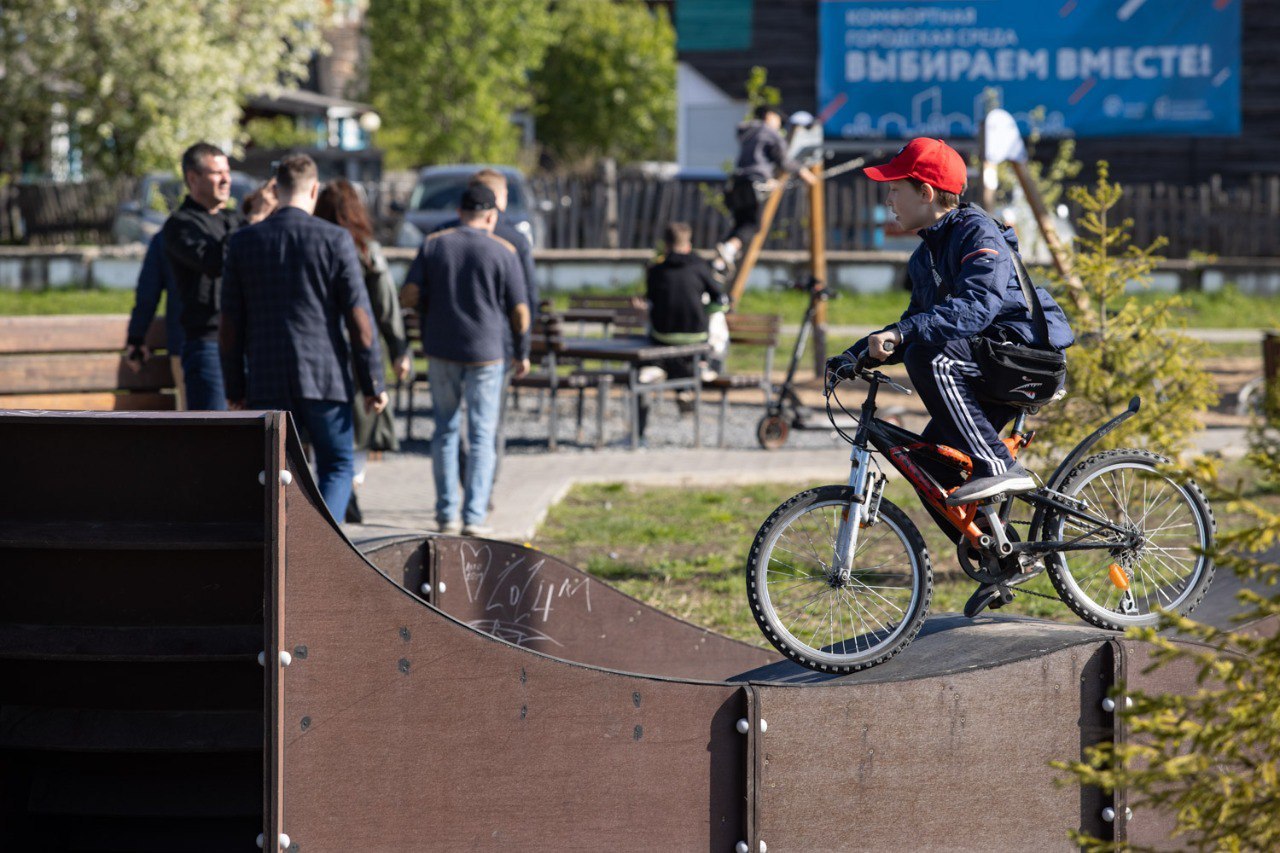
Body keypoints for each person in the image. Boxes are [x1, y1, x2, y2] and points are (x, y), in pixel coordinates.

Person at [827, 137, 1074, 510]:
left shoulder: (976, 232)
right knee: (930, 473)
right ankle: (996, 553)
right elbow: (916, 323)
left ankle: (998, 466)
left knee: (929, 357)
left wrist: (903, 334)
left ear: (926, 192)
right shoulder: (924, 257)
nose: (888, 201)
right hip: (987, 363)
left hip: (1025, 360)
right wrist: (855, 354)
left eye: (894, 190)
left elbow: (977, 306)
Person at [220, 154, 388, 521]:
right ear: (314, 190)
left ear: (276, 191)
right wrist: (373, 380)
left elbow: (230, 324)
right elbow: (359, 318)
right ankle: (326, 546)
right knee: (337, 464)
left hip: (265, 377)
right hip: (325, 377)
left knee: (272, 471)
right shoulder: (335, 239)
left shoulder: (244, 241)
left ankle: (281, 545)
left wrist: (234, 385)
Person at [400, 184, 530, 536]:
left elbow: (409, 295)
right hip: (488, 354)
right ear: (491, 215)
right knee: (482, 435)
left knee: (445, 430)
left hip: (441, 349)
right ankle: (474, 516)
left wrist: (426, 304)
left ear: (459, 211)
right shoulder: (504, 251)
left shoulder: (433, 245)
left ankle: (446, 513)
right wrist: (521, 350)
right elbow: (519, 311)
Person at [314, 178, 412, 523]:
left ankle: (341, 502)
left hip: (316, 354)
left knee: (322, 440)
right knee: (357, 434)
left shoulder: (312, 245)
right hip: (358, 352)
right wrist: (400, 349)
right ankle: (345, 503)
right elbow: (385, 306)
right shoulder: (366, 250)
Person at [162, 142, 244, 410]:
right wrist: (252, 219)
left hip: (245, 342)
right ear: (193, 178)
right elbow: (215, 262)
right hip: (208, 344)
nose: (226, 179)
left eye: (227, 172)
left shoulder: (233, 219)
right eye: (217, 172)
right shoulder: (180, 225)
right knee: (216, 436)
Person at [635, 222, 728, 440]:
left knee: (656, 356)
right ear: (688, 243)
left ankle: (668, 380)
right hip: (695, 340)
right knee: (716, 317)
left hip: (661, 339)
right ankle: (708, 365)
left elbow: (651, 301)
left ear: (665, 245)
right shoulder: (699, 267)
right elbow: (719, 298)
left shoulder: (656, 270)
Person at [715, 105, 817, 271]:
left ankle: (720, 261)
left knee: (740, 223)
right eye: (778, 119)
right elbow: (784, 161)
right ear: (770, 116)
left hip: (737, 182)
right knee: (753, 225)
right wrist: (804, 172)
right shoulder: (770, 134)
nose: (780, 124)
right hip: (754, 182)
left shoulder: (747, 132)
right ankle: (729, 249)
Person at [123, 231, 185, 408]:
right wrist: (136, 336)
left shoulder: (170, 234)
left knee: (199, 417)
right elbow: (147, 295)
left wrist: (136, 337)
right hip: (192, 344)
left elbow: (147, 294)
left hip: (188, 344)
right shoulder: (236, 227)